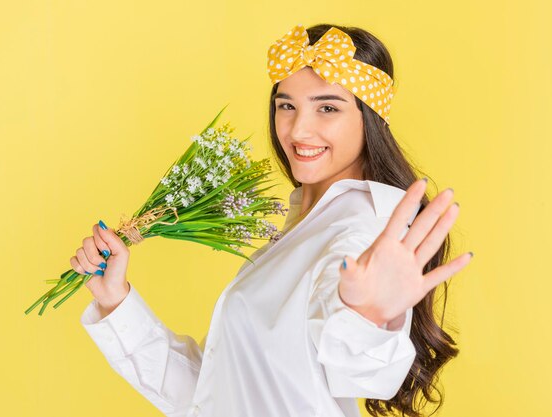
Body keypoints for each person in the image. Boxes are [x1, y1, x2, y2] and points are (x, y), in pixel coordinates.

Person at [74, 23, 473, 417]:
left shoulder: (360, 231)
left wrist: (367, 319)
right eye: (287, 105)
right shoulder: (306, 222)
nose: (299, 130)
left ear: (369, 118)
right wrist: (116, 300)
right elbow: (214, 396)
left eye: (328, 107)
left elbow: (360, 372)